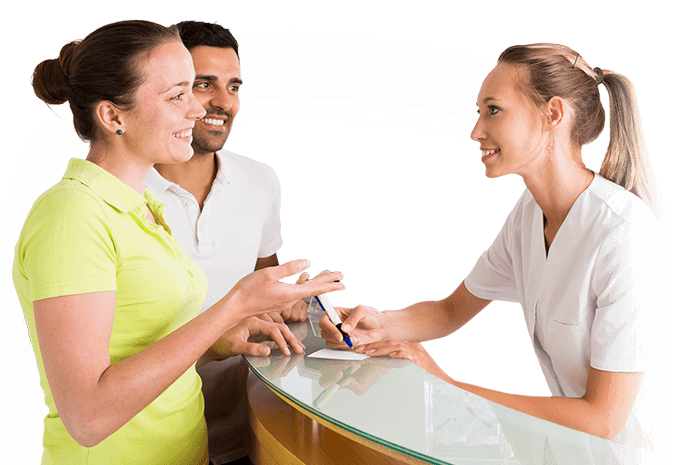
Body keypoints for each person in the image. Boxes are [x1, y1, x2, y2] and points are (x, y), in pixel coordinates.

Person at [14, 19, 343, 465]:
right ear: (113, 116)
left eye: (194, 89)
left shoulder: (142, 207)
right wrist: (232, 306)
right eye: (178, 95)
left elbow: (138, 350)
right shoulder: (72, 216)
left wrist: (217, 342)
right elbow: (87, 417)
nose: (197, 109)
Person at [321, 42, 664, 455]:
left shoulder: (625, 233)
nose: (476, 131)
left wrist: (447, 388)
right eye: (478, 112)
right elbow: (450, 312)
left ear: (552, 114)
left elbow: (603, 419)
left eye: (493, 110)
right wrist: (378, 324)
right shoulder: (529, 215)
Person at [144, 20, 306, 465]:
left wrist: (306, 313)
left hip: (245, 436)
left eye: (234, 86)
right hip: (152, 442)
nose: (224, 102)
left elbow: (263, 297)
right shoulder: (123, 193)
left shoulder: (260, 181)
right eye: (203, 84)